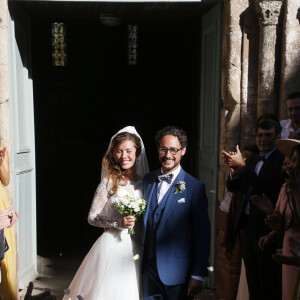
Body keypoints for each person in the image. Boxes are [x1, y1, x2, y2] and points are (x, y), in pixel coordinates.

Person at [63, 126, 149, 300]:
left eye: (128, 151)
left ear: (138, 152)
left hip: (139, 245)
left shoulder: (147, 183)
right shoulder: (109, 182)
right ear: (113, 154)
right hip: (113, 245)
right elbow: (92, 217)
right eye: (119, 151)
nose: (124, 156)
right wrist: (117, 223)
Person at [142, 126, 210, 300]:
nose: (167, 155)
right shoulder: (148, 180)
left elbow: (203, 234)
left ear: (183, 150)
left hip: (178, 273)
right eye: (163, 149)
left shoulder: (194, 187)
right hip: (148, 270)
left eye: (173, 150)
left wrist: (197, 274)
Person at [222, 119, 284, 300]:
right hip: (248, 228)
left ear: (277, 137)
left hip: (266, 230)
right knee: (253, 281)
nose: (263, 139)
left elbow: (265, 185)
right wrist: (234, 172)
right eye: (260, 135)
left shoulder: (279, 161)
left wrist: (241, 166)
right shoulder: (255, 158)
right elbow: (235, 188)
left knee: (267, 283)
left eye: (268, 135)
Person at [255, 139, 300, 299]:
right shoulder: (285, 187)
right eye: (292, 160)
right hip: (288, 247)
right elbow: (280, 219)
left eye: (295, 161)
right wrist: (271, 232)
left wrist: (295, 190)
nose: (291, 165)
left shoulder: (293, 188)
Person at [0, 146, 19, 299]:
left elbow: (6, 181)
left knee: (4, 251)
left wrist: (0, 163)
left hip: (0, 201)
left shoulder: (2, 150)